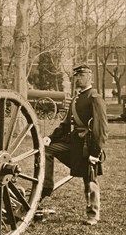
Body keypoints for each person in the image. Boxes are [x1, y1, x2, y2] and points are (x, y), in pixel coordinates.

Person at [40, 65, 108, 225]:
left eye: (82, 75)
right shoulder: (76, 99)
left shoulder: (95, 98)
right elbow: (65, 125)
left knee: (90, 179)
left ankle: (93, 214)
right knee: (47, 150)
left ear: (90, 77)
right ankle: (46, 186)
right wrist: (50, 138)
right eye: (76, 76)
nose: (78, 78)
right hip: (74, 145)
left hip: (88, 146)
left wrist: (95, 152)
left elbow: (101, 129)